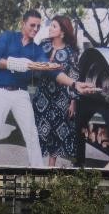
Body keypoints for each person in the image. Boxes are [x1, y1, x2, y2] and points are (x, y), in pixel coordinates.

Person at [0, 9, 46, 167]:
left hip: (21, 94)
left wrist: (47, 65)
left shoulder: (36, 49)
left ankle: (39, 171)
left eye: (38, 26)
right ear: (23, 23)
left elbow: (43, 62)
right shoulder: (7, 37)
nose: (35, 29)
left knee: (31, 133)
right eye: (32, 25)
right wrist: (18, 63)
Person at [33, 15, 94, 167]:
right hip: (42, 95)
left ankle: (50, 167)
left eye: (54, 26)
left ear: (62, 32)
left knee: (54, 132)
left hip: (61, 98)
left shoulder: (71, 52)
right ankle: (35, 162)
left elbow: (73, 76)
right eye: (50, 25)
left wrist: (73, 103)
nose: (50, 28)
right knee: (39, 129)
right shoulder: (43, 44)